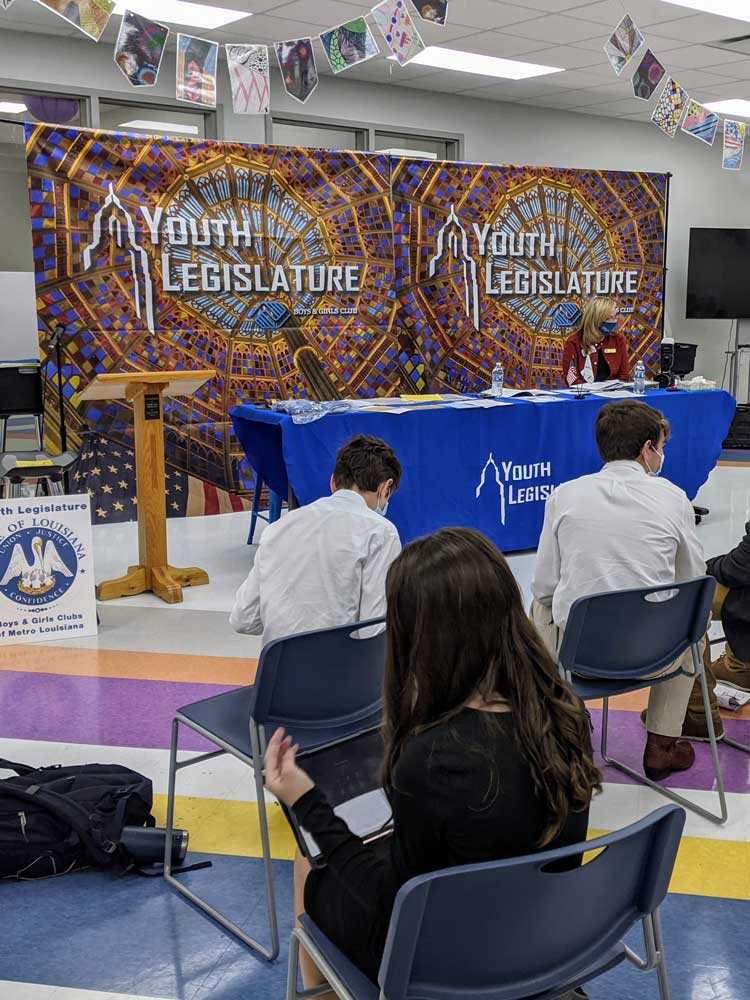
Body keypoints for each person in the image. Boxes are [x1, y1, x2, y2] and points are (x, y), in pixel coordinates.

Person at [265, 527, 600, 996]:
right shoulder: (565, 713)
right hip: (545, 937)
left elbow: (394, 904)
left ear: (421, 638)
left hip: (450, 964)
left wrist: (307, 803)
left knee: (310, 858)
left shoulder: (430, 759)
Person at [531, 400, 706, 781]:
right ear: (647, 449)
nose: (662, 455)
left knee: (539, 608)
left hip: (578, 655)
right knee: (696, 623)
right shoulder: (674, 498)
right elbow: (692, 580)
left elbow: (545, 587)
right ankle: (661, 744)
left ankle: (561, 729)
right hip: (657, 654)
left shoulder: (563, 495)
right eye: (660, 446)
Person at [229, 435, 402, 646]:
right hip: (344, 673)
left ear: (333, 482)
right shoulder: (381, 533)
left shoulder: (277, 529)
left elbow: (243, 619)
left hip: (277, 674)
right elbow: (374, 631)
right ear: (385, 488)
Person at [562, 297, 631, 386]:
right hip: (585, 396)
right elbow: (571, 379)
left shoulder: (618, 339)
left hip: (613, 394)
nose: (613, 322)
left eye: (615, 317)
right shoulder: (574, 342)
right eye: (609, 318)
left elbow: (624, 375)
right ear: (595, 319)